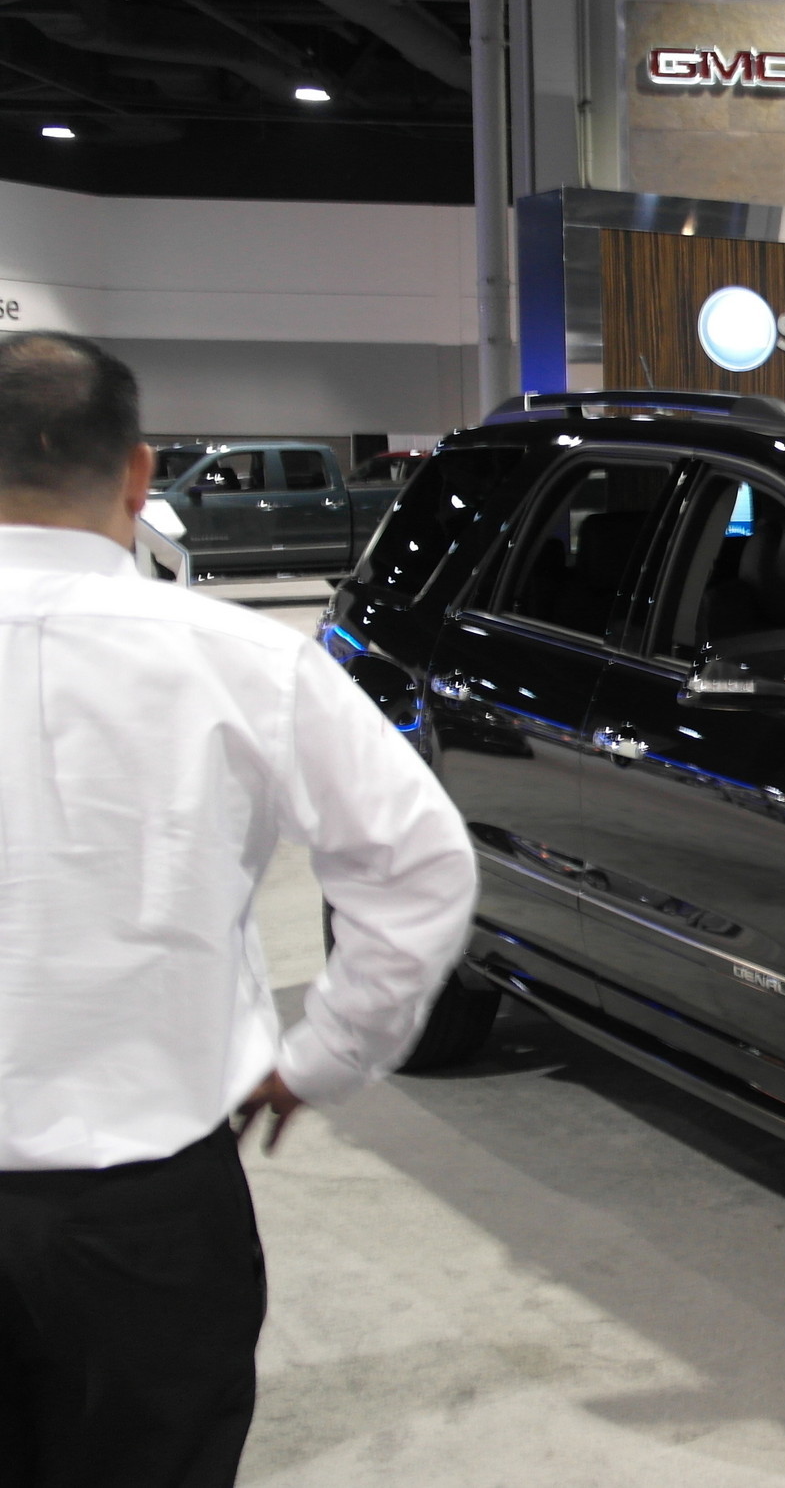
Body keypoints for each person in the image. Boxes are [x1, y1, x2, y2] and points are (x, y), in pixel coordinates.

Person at [0, 333, 476, 1487]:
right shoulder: (240, 658)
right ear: (138, 473)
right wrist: (324, 1054)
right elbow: (419, 862)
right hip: (149, 1214)